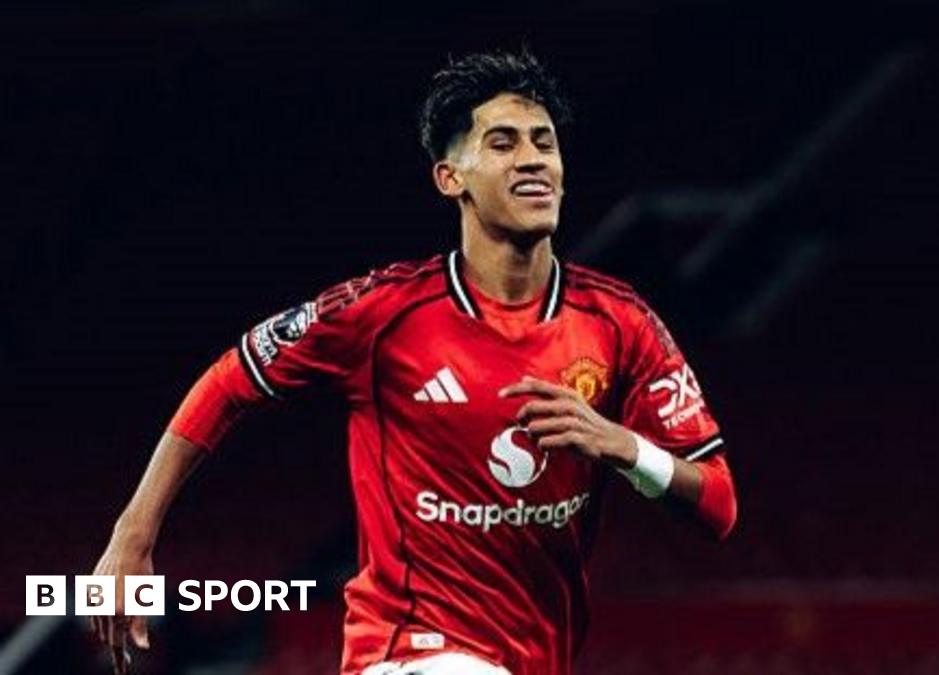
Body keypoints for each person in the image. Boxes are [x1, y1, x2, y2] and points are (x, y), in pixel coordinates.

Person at [91, 49, 738, 675]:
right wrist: (133, 531)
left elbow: (719, 505)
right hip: (406, 652)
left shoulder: (619, 322)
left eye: (544, 142)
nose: (534, 159)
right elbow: (234, 377)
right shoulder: (384, 314)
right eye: (503, 143)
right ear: (450, 177)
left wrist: (624, 446)